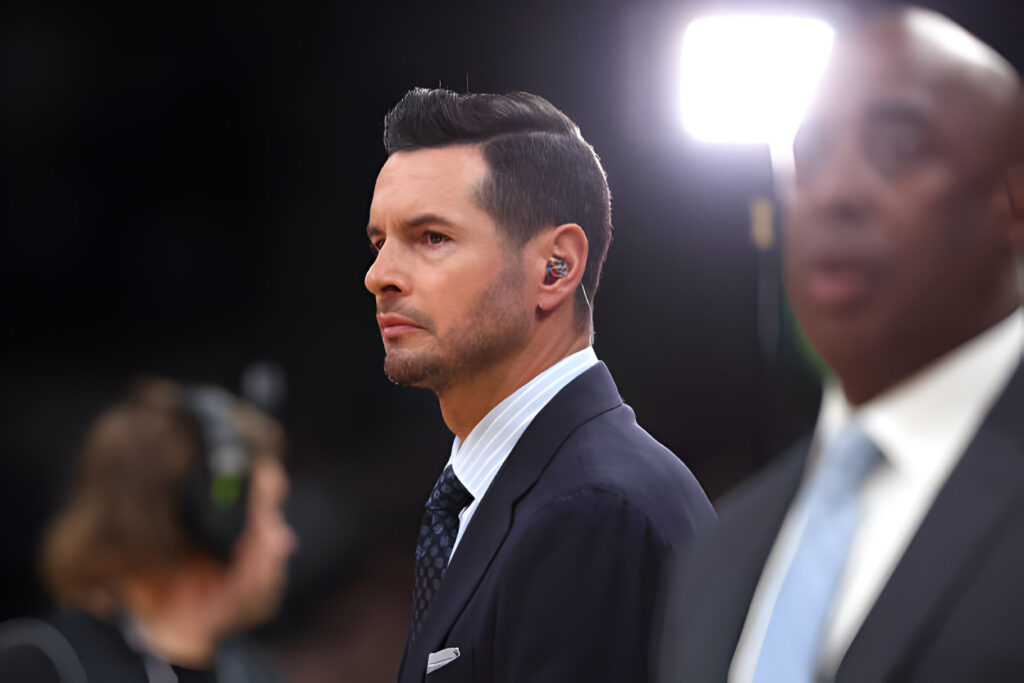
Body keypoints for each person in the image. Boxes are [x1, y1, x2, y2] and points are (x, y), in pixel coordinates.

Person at [658, 6, 1024, 682]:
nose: (834, 192)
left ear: (1012, 199)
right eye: (809, 155)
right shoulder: (720, 551)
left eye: (897, 147)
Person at [365, 87, 714, 682]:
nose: (380, 276)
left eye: (431, 238)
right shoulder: (551, 485)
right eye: (380, 242)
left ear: (556, 268)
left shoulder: (593, 512)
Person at [0, 377, 298, 682]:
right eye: (270, 512)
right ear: (213, 522)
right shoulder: (43, 666)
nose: (286, 540)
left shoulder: (257, 674)